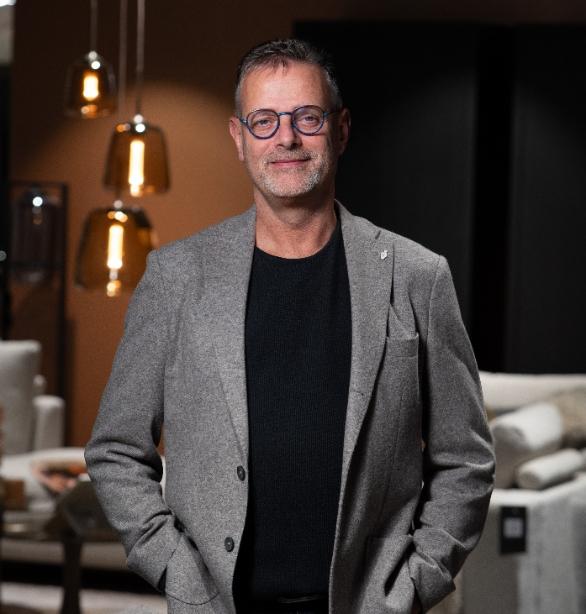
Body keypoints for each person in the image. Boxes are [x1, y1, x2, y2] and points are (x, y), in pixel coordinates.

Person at [85, 39, 495, 614]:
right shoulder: (176, 277)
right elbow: (115, 448)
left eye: (307, 117)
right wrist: (175, 570)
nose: (286, 139)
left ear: (340, 129)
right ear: (239, 138)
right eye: (264, 121)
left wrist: (414, 584)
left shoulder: (416, 277)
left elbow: (466, 460)